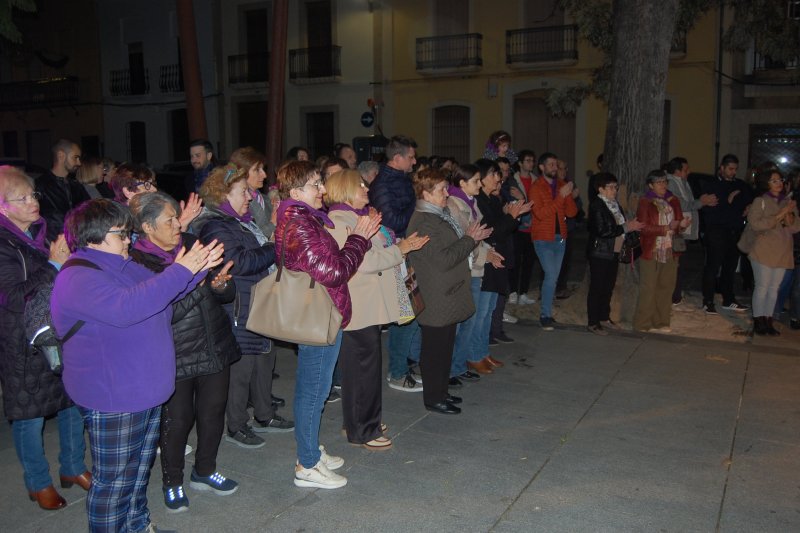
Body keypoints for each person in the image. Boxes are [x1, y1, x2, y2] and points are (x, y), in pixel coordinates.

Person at [51, 198, 224, 533]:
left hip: (143, 390)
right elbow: (128, 307)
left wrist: (198, 269)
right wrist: (182, 269)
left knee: (137, 472)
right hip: (115, 395)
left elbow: (163, 296)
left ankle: (137, 526)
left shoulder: (123, 264)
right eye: (120, 234)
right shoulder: (79, 276)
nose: (128, 240)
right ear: (94, 237)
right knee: (113, 483)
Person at [129, 192, 242, 512]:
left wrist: (220, 284)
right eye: (170, 220)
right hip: (173, 352)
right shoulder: (138, 262)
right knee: (177, 421)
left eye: (178, 217)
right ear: (148, 227)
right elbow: (163, 309)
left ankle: (205, 470)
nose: (179, 224)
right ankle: (172, 481)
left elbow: (226, 293)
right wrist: (195, 277)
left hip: (213, 343)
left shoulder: (192, 244)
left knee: (212, 413)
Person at [275, 160, 379, 488]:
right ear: (295, 192)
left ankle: (311, 452)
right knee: (312, 390)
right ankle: (306, 465)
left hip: (325, 311)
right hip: (317, 315)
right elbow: (333, 272)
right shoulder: (300, 224)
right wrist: (358, 240)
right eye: (315, 185)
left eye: (321, 183)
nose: (322, 190)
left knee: (317, 390)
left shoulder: (308, 219)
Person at [0, 166, 89, 511]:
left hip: (58, 329)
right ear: (3, 207)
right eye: (21, 197)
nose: (32, 202)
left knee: (71, 403)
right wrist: (52, 265)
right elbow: (11, 296)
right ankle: (38, 483)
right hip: (22, 340)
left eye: (32, 194)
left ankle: (73, 467)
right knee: (29, 415)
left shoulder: (44, 231)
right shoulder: (5, 244)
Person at [325, 169, 428, 449]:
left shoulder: (356, 217)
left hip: (367, 305)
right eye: (359, 185)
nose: (366, 188)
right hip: (358, 307)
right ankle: (364, 430)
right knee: (363, 370)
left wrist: (396, 244)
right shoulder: (339, 220)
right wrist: (402, 249)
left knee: (362, 370)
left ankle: (359, 422)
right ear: (345, 189)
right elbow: (363, 263)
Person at [193, 165, 292, 450]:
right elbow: (239, 263)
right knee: (241, 370)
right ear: (223, 194)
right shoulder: (216, 226)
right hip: (239, 307)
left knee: (264, 361)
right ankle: (236, 425)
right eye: (242, 192)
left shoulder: (240, 221)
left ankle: (264, 414)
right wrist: (273, 246)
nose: (249, 196)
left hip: (258, 302)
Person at [406, 168, 492, 415]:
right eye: (441, 189)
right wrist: (469, 239)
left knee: (444, 348)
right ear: (426, 193)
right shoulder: (423, 221)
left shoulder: (437, 215)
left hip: (446, 294)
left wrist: (470, 239)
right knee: (434, 351)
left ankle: (441, 392)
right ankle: (433, 398)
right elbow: (443, 259)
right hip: (436, 297)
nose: (447, 192)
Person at [368, 135, 424, 391]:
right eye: (411, 156)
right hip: (395, 254)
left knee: (412, 310)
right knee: (405, 313)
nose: (414, 161)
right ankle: (397, 372)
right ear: (397, 158)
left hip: (406, 251)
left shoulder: (401, 180)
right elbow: (391, 221)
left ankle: (406, 364)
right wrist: (419, 207)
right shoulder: (382, 185)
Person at [473, 160, 530, 361]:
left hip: (498, 254)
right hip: (487, 256)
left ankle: (482, 352)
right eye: (494, 175)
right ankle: (476, 353)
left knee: (489, 307)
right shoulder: (479, 201)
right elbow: (492, 232)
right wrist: (511, 217)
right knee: (482, 311)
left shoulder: (493, 200)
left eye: (499, 174)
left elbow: (501, 228)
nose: (498, 179)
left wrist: (512, 216)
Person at [447, 164, 493, 385]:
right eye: (476, 180)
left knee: (470, 321)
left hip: (474, 268)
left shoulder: (471, 203)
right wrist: (484, 253)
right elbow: (462, 241)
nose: (480, 184)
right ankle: (449, 369)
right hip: (463, 270)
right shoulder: (453, 205)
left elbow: (476, 238)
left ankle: (459, 365)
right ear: (462, 183)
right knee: (458, 323)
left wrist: (489, 251)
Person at [586, 173, 644, 335]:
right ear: (601, 189)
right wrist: (627, 227)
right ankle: (593, 322)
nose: (614, 190)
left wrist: (631, 229)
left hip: (614, 251)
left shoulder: (614, 204)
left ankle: (604, 317)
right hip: (600, 252)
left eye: (615, 187)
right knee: (597, 287)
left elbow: (621, 224)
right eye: (611, 187)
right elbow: (602, 230)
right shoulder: (597, 205)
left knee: (608, 286)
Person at [633, 170, 690, 333]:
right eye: (659, 182)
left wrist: (683, 224)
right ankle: (643, 324)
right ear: (650, 185)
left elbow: (677, 223)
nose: (663, 185)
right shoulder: (646, 202)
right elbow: (643, 228)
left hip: (670, 249)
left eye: (665, 182)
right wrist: (665, 228)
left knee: (666, 287)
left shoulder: (673, 200)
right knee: (648, 288)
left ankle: (661, 322)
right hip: (652, 249)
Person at [745, 170, 800, 335]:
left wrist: (789, 212)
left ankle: (769, 320)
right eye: (773, 181)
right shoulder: (760, 201)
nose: (778, 183)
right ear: (766, 183)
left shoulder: (788, 201)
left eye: (780, 180)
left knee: (774, 288)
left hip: (782, 250)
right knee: (762, 286)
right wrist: (781, 214)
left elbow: (795, 227)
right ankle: (758, 320)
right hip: (763, 250)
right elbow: (756, 224)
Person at [529, 152, 578, 331]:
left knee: (553, 278)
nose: (554, 168)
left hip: (560, 238)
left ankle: (547, 313)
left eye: (555, 165)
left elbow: (572, 213)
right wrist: (560, 197)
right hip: (543, 238)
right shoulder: (536, 188)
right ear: (541, 167)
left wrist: (569, 195)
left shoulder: (562, 186)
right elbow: (541, 214)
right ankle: (545, 315)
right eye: (550, 164)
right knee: (550, 276)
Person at [700, 154, 753, 314]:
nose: (733, 172)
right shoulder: (712, 185)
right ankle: (708, 300)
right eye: (730, 169)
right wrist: (728, 201)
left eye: (735, 169)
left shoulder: (740, 185)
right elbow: (712, 208)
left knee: (730, 267)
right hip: (717, 231)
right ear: (722, 168)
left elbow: (749, 199)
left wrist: (748, 206)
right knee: (713, 266)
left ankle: (728, 298)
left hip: (734, 231)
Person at [666, 156, 718, 306]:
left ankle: (676, 294)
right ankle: (673, 296)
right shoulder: (670, 183)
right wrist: (701, 202)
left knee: (680, 263)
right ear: (677, 171)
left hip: (684, 229)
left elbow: (688, 202)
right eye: (686, 169)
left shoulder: (683, 182)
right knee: (676, 263)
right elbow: (680, 204)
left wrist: (699, 201)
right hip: (677, 229)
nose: (689, 171)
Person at [35, 139, 89, 241]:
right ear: (61, 156)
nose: (79, 163)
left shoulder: (76, 186)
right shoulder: (40, 186)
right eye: (75, 157)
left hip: (79, 241)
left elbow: (89, 211)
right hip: (54, 244)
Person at [505, 149, 536, 307]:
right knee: (515, 261)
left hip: (532, 229)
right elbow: (513, 201)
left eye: (532, 161)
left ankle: (523, 292)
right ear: (520, 163)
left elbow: (535, 202)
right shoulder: (514, 180)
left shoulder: (535, 180)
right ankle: (513, 292)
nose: (531, 164)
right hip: (518, 228)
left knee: (529, 262)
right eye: (528, 160)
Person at [229, 146, 276, 239]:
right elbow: (250, 238)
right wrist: (273, 223)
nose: (264, 175)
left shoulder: (266, 199)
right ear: (242, 172)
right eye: (257, 170)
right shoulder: (238, 203)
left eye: (263, 169)